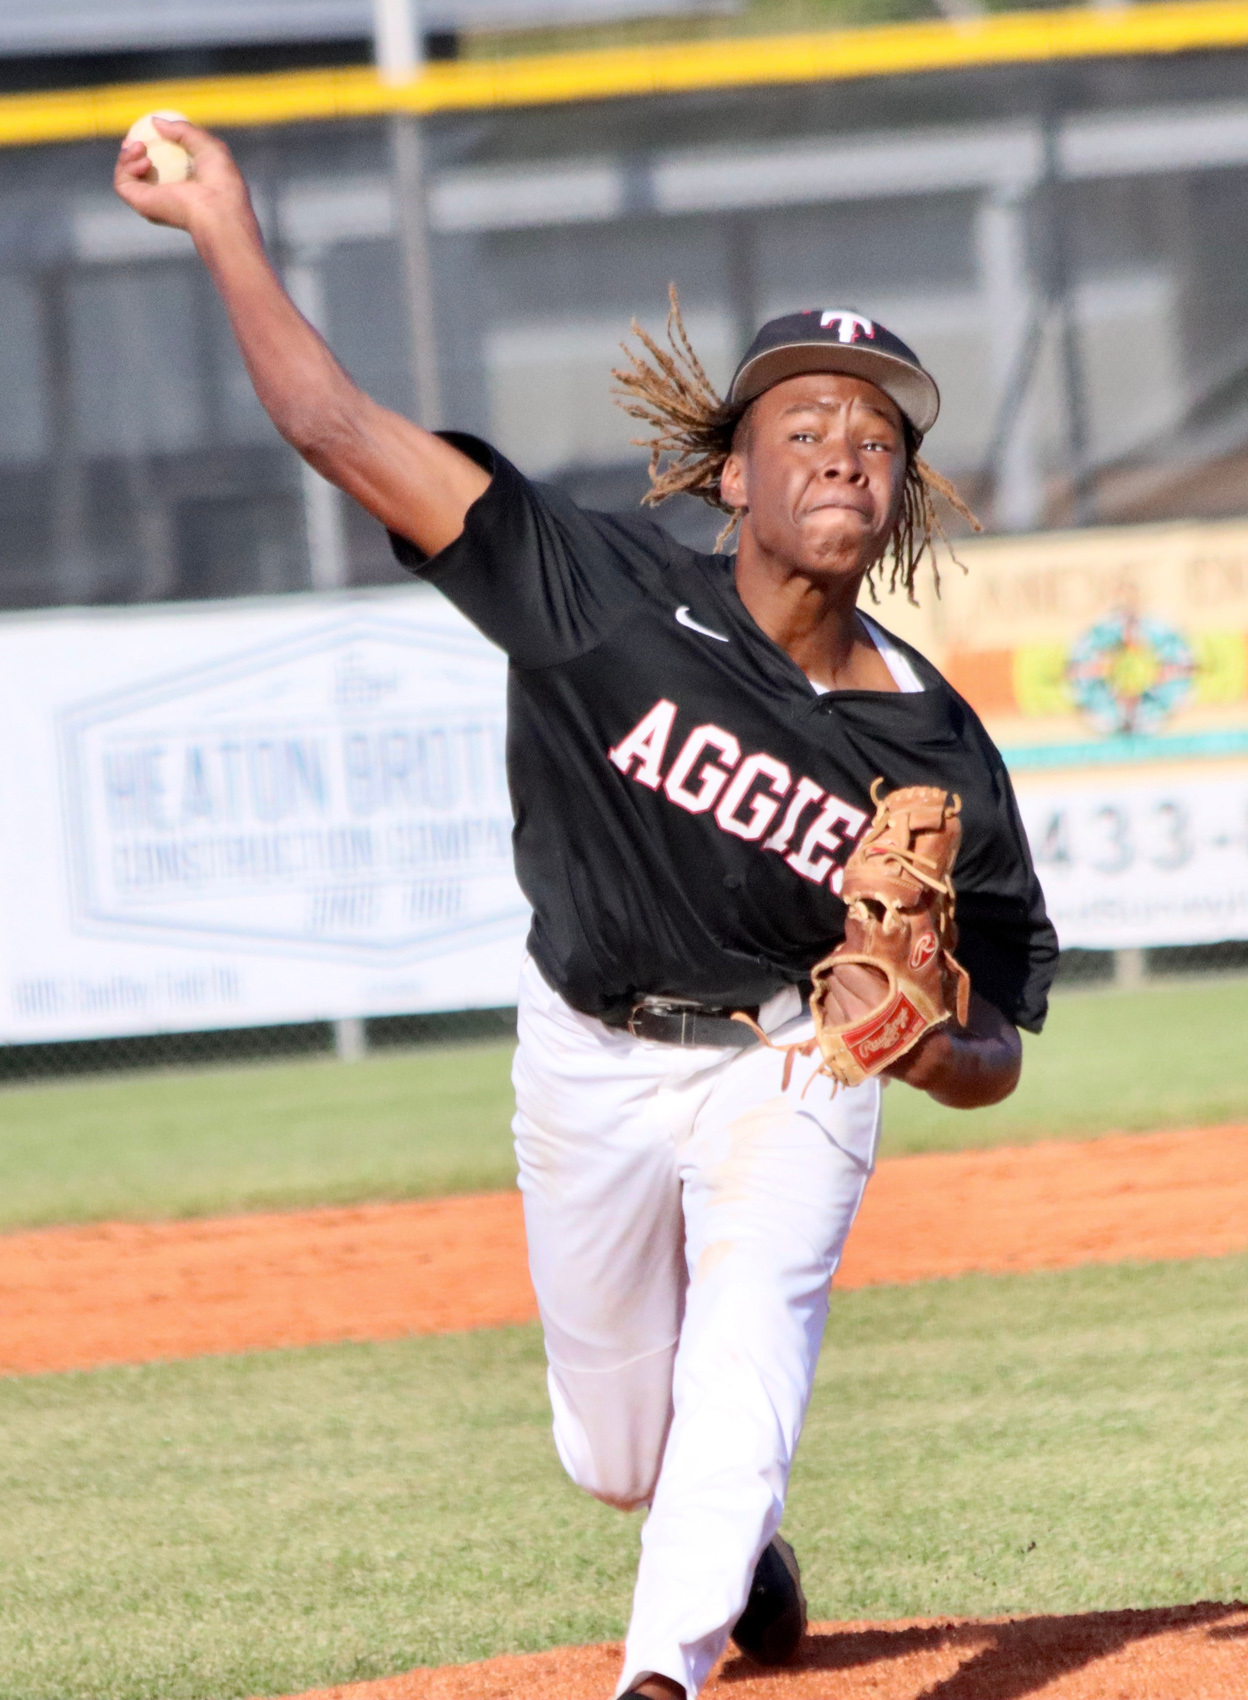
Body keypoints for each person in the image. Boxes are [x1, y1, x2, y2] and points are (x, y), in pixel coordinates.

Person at [115, 119, 1058, 1700]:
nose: (845, 450)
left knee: (754, 1331)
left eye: (878, 437)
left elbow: (1001, 1041)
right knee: (617, 1453)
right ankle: (731, 1542)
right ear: (733, 476)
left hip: (790, 1065)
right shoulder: (594, 593)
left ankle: (660, 1671)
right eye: (806, 425)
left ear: (903, 496)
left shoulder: (936, 748)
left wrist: (926, 1050)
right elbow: (335, 426)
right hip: (587, 1048)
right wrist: (222, 223)